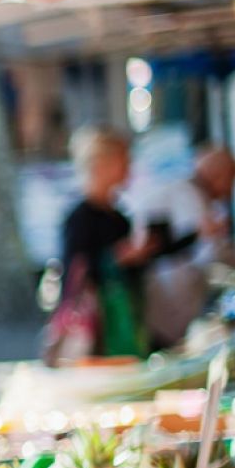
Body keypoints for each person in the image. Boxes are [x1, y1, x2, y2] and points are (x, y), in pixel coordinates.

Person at [49, 125, 149, 361]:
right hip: (94, 325)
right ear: (102, 165)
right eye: (124, 161)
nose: (129, 169)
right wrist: (115, 257)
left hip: (124, 318)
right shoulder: (79, 217)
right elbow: (75, 271)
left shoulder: (120, 216)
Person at [138, 145, 235, 347]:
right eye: (231, 179)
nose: (230, 190)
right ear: (217, 174)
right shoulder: (189, 196)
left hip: (175, 297)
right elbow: (210, 253)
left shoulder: (188, 193)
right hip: (170, 298)